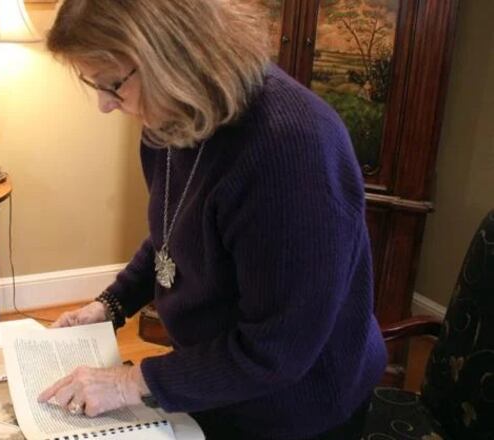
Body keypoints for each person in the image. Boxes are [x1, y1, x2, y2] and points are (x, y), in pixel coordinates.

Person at [38, 0, 388, 439]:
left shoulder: (292, 152)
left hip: (298, 408)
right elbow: (173, 235)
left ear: (170, 56)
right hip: (220, 380)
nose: (105, 106)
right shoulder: (172, 118)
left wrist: (131, 382)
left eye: (112, 85)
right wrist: (108, 306)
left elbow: (276, 351)